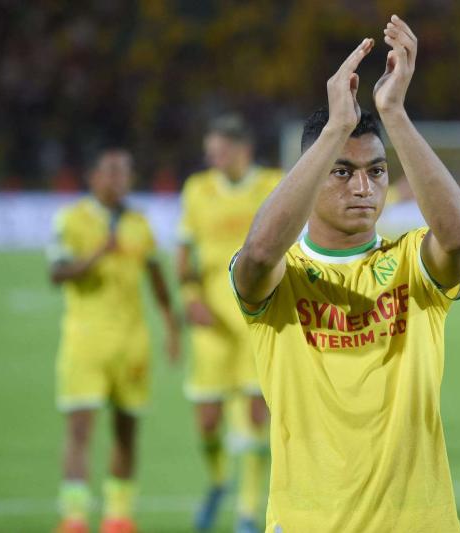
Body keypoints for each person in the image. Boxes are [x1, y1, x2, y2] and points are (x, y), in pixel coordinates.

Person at [229, 15, 460, 532]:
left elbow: (458, 241)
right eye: (342, 171)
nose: (363, 188)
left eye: (376, 171)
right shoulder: (283, 277)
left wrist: (394, 114)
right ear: (314, 172)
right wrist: (335, 129)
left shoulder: (411, 263)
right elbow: (257, 256)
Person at [48, 148, 180, 533]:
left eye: (125, 172)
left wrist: (171, 326)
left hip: (132, 343)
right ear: (92, 176)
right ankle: (74, 517)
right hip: (85, 341)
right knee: (79, 428)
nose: (119, 179)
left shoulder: (139, 222)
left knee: (126, 430)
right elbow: (57, 273)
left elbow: (156, 278)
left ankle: (118, 517)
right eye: (111, 172)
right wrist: (96, 255)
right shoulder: (71, 219)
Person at [176, 115, 281, 532]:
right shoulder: (197, 190)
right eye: (210, 152)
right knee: (208, 421)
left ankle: (247, 513)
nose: (213, 159)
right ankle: (220, 480)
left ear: (243, 150)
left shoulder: (272, 184)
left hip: (257, 319)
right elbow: (183, 255)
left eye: (220, 151)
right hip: (212, 326)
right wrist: (190, 299)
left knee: (256, 417)